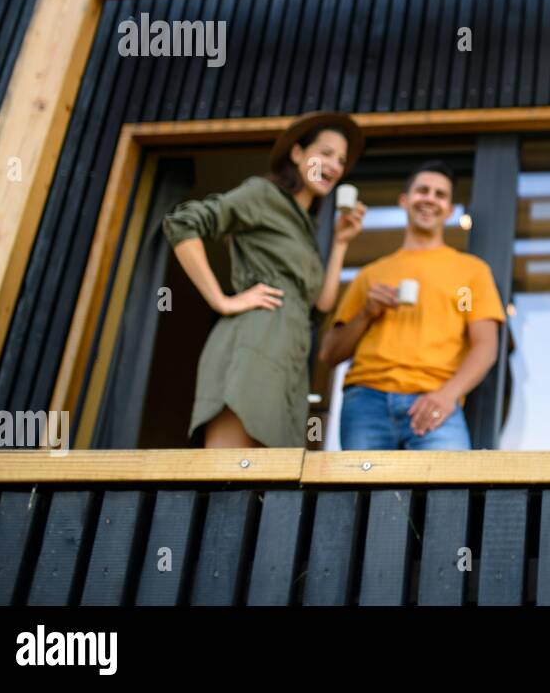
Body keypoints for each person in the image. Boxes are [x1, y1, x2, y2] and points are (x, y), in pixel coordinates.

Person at [162, 112, 366, 448]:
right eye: (325, 153)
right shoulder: (263, 194)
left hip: (290, 368)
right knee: (228, 478)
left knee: (265, 493)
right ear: (297, 153)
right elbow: (183, 223)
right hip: (253, 347)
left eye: (341, 160)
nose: (334, 165)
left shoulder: (307, 229)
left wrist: (341, 242)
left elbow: (321, 305)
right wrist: (221, 300)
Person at [320, 160, 504, 450]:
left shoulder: (472, 272)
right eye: (422, 191)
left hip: (436, 401)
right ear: (404, 201)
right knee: (360, 496)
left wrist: (448, 395)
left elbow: (486, 347)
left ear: (451, 210)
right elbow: (329, 354)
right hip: (366, 401)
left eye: (440, 194)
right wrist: (367, 313)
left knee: (449, 494)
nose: (430, 198)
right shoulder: (371, 274)